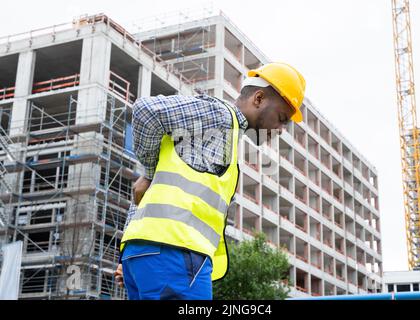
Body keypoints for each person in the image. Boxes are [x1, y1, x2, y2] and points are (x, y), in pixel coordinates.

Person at [114, 62, 306, 300]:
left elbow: (148, 194)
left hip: (147, 254)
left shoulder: (222, 135)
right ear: (258, 98)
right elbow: (146, 110)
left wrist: (133, 255)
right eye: (281, 118)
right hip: (176, 255)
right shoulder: (220, 117)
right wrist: (149, 173)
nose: (280, 129)